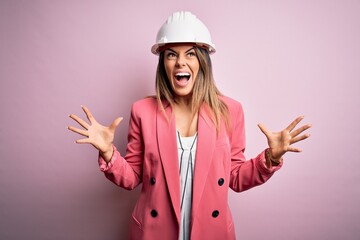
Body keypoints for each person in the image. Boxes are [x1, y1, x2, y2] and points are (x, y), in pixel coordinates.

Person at [68, 11, 311, 240]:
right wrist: (108, 152)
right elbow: (132, 177)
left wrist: (271, 159)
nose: (180, 62)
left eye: (190, 54)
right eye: (171, 54)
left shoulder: (230, 111)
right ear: (163, 62)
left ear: (203, 62)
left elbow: (235, 178)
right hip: (154, 232)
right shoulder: (142, 111)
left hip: (211, 231)